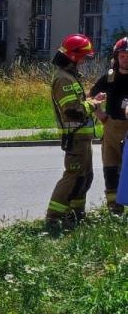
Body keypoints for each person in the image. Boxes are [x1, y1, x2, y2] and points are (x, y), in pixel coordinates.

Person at [45, 34, 105, 232]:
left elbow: (77, 104)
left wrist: (91, 99)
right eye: (84, 57)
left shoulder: (70, 76)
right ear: (73, 56)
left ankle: (76, 215)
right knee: (73, 177)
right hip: (75, 138)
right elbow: (72, 111)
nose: (85, 61)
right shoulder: (63, 78)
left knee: (85, 178)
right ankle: (54, 219)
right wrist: (93, 103)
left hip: (82, 138)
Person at [90, 35, 128, 213]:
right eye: (122, 56)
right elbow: (90, 98)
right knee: (111, 167)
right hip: (112, 128)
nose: (125, 58)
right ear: (116, 57)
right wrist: (100, 113)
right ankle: (114, 208)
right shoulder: (110, 78)